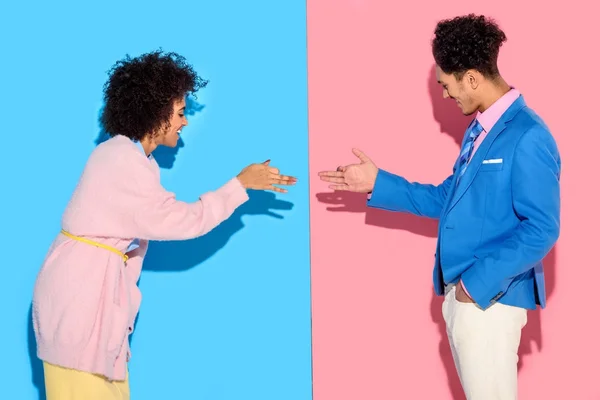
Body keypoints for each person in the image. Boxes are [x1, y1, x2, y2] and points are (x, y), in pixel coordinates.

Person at [319, 14, 560, 400]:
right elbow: (449, 197)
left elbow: (542, 228)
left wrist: (474, 286)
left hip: (490, 302)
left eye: (447, 86)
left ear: (471, 78)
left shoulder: (528, 135)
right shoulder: (479, 131)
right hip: (466, 302)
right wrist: (378, 182)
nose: (446, 96)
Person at [32, 50, 296, 400]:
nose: (184, 122)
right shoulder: (120, 162)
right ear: (156, 113)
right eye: (181, 112)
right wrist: (239, 184)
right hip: (79, 306)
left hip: (84, 303)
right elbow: (183, 221)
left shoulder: (131, 159)